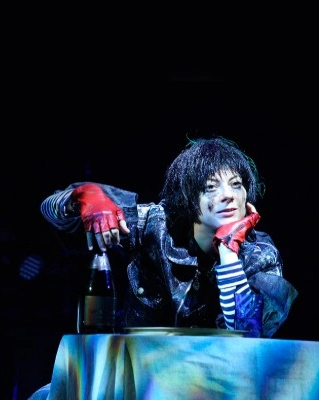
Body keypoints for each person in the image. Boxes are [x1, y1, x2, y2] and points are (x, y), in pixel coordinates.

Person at [39, 136, 298, 338]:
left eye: (236, 184)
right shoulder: (156, 226)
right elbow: (51, 210)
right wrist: (84, 196)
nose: (228, 195)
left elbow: (248, 337)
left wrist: (228, 251)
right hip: (139, 370)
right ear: (188, 198)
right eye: (211, 187)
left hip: (216, 379)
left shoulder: (260, 254)